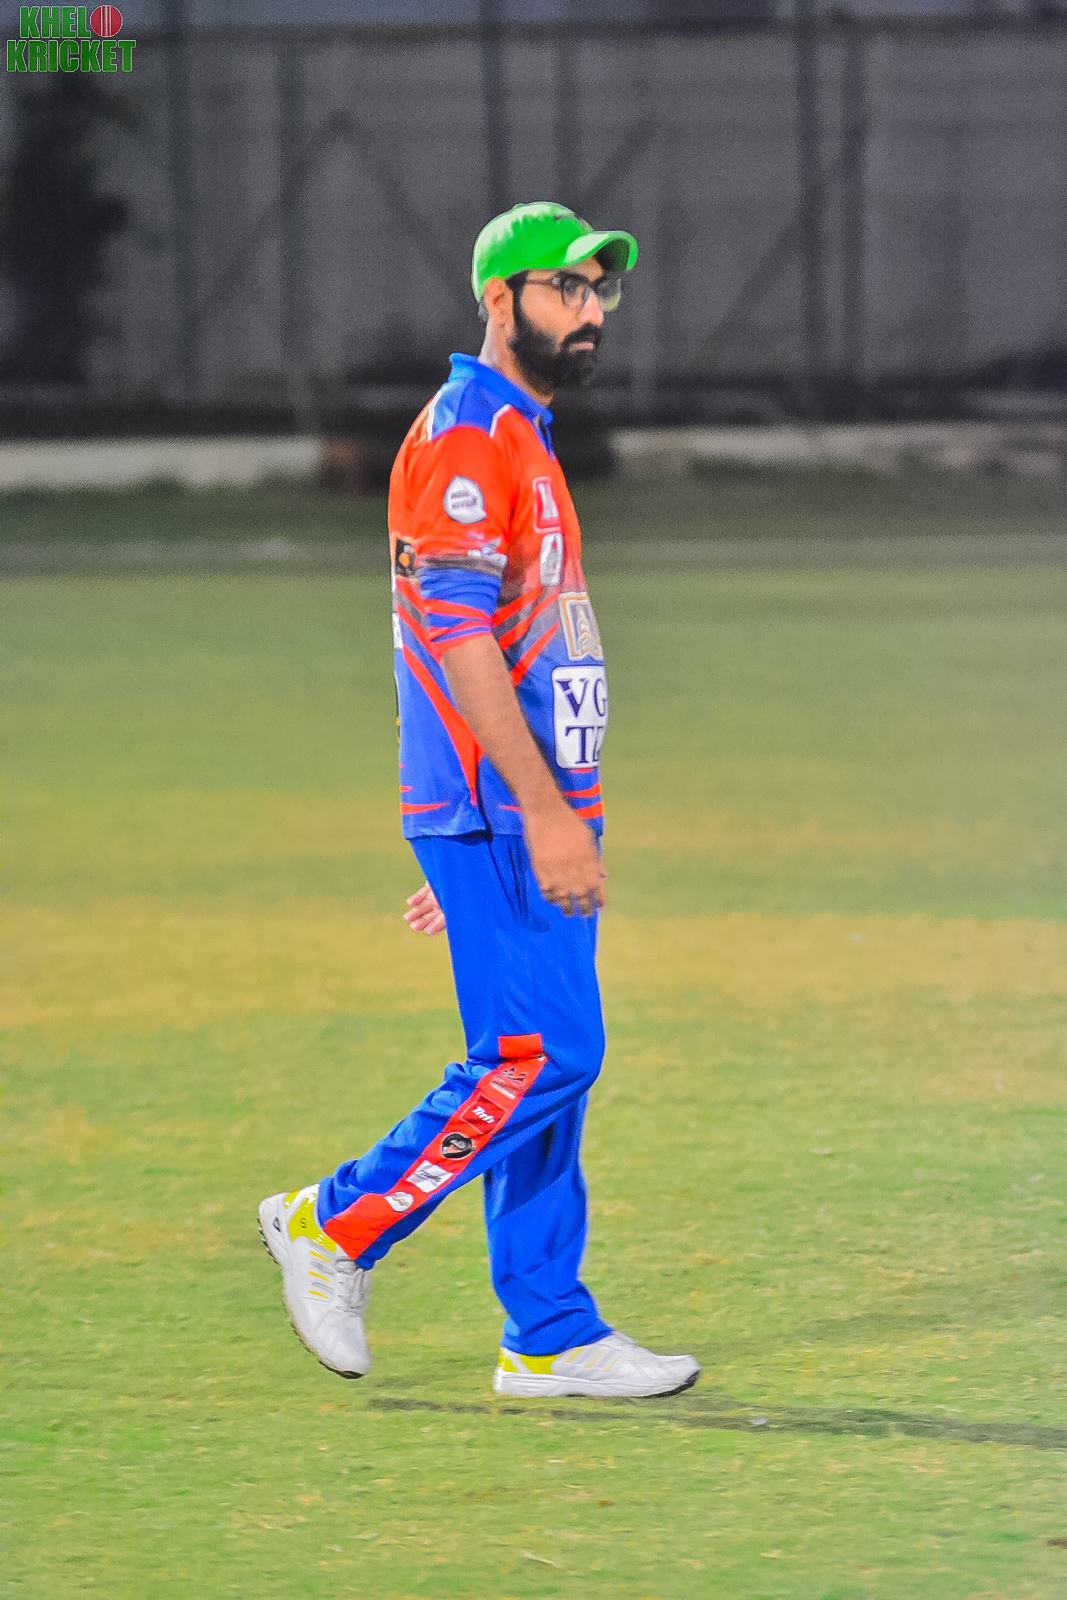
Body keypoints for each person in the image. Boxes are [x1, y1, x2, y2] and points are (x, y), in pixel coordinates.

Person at [259, 202, 700, 1401]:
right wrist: (527, 814)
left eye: (601, 290)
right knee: (543, 1052)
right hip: (509, 808)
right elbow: (453, 635)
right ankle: (334, 1221)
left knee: (545, 1067)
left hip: (520, 809)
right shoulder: (468, 434)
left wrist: (533, 816)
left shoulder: (520, 431)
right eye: (565, 287)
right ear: (498, 299)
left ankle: (548, 1331)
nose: (591, 310)